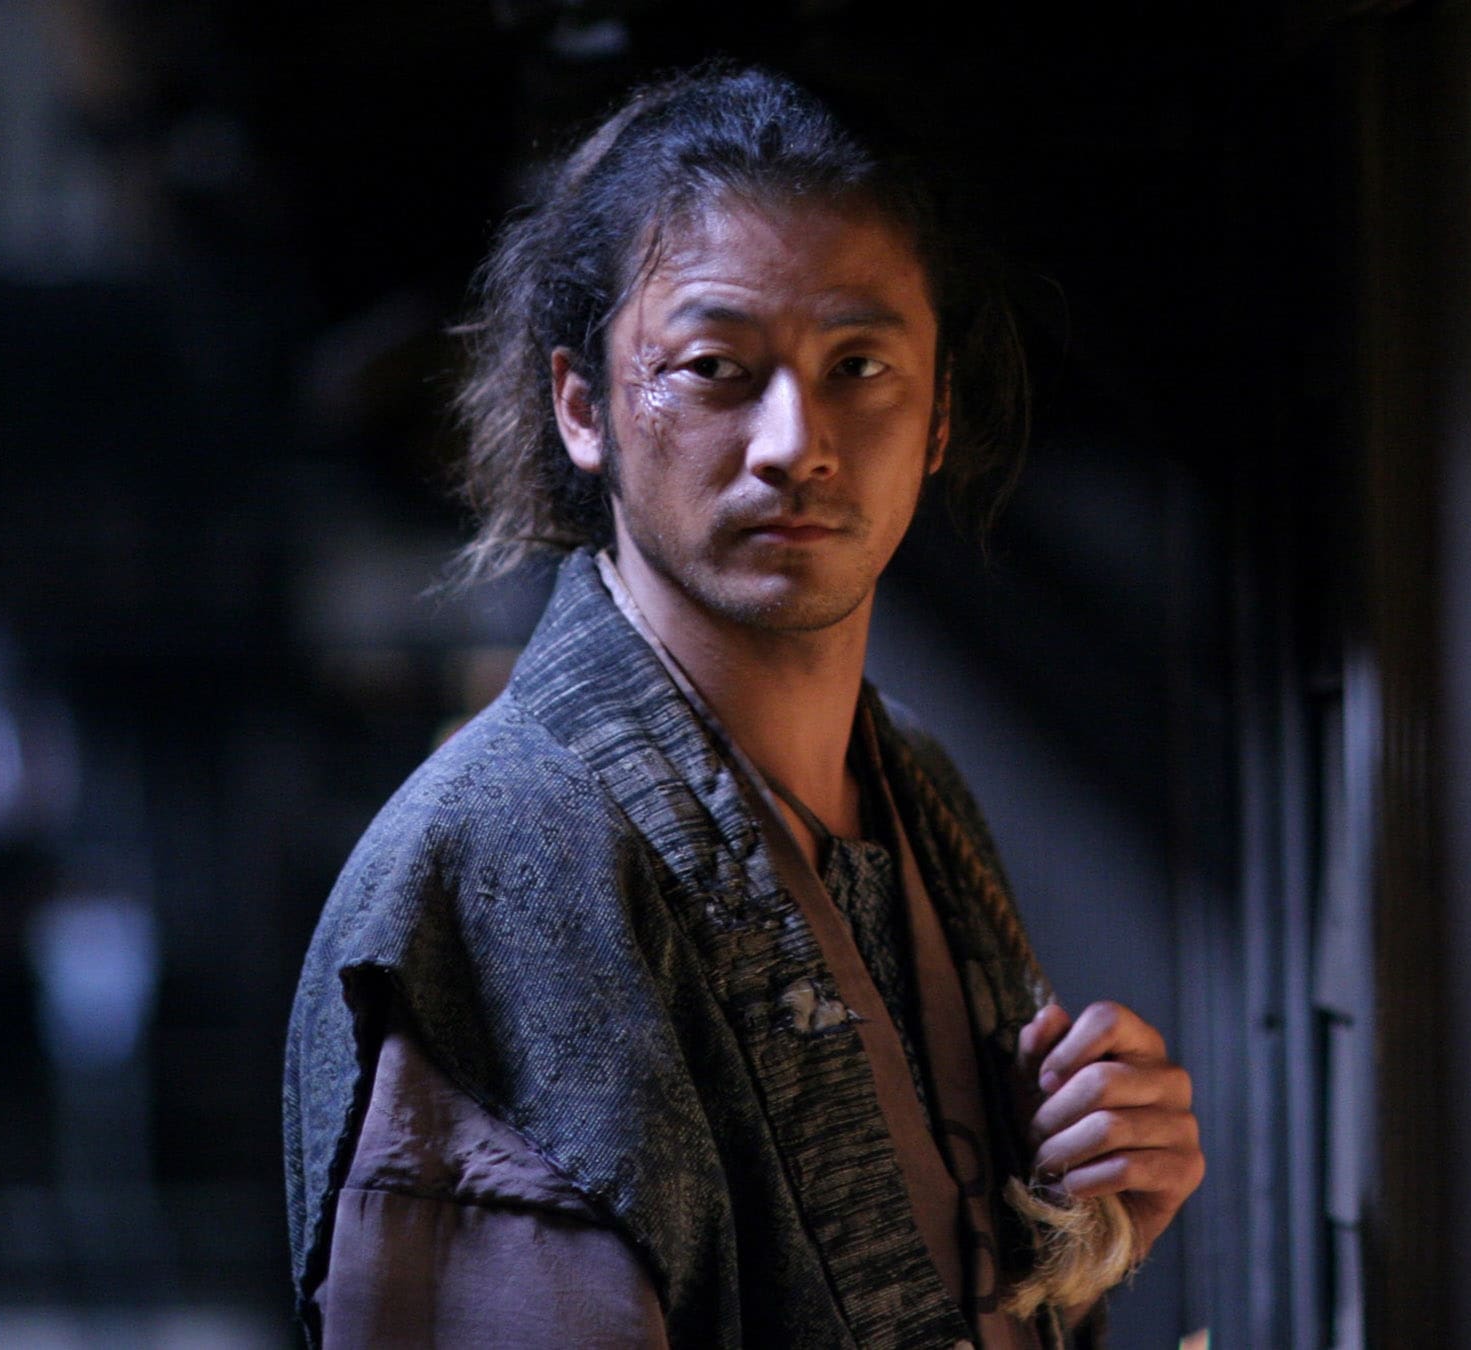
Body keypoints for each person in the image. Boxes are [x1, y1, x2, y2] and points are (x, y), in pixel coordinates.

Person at [284, 65, 1203, 1348]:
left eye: (860, 364)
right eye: (716, 366)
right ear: (583, 405)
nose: (794, 442)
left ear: (938, 415)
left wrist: (1083, 1220)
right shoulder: (501, 861)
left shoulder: (913, 785)